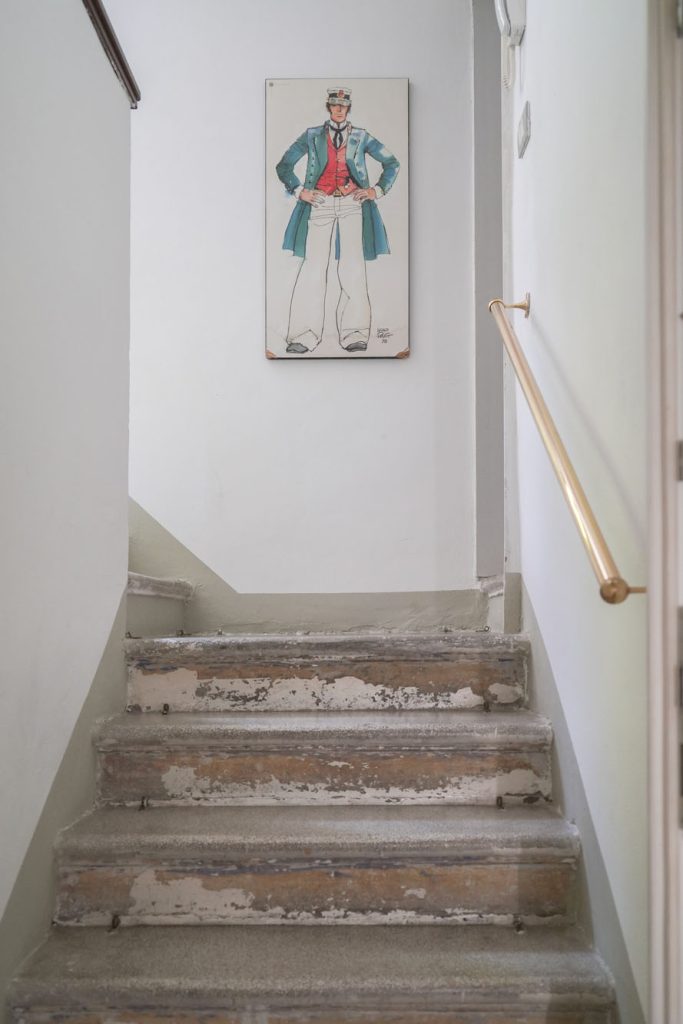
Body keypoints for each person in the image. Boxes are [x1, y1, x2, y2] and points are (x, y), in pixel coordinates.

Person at [276, 87, 400, 354]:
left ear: (348, 107)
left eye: (343, 105)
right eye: (334, 104)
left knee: (352, 267)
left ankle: (355, 333)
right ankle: (303, 335)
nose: (339, 109)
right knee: (313, 266)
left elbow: (392, 163)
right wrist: (300, 191)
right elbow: (284, 165)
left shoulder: (361, 136)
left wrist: (376, 190)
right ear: (329, 106)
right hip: (319, 202)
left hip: (352, 203)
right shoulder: (311, 135)